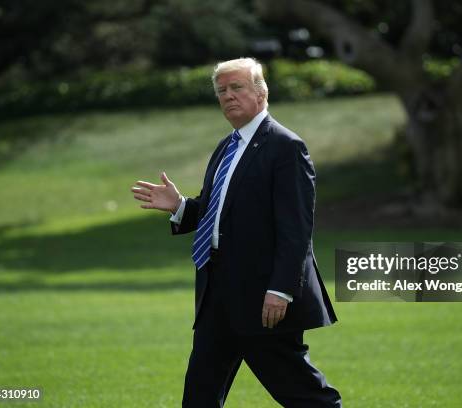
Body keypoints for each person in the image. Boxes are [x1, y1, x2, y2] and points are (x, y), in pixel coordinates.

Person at [131, 57, 341, 407]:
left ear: (261, 93)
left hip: (263, 300)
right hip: (217, 296)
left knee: (305, 396)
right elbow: (218, 213)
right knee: (199, 396)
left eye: (237, 87)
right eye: (221, 90)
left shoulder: (286, 147)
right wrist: (180, 205)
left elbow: (296, 229)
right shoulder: (227, 146)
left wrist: (280, 290)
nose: (228, 96)